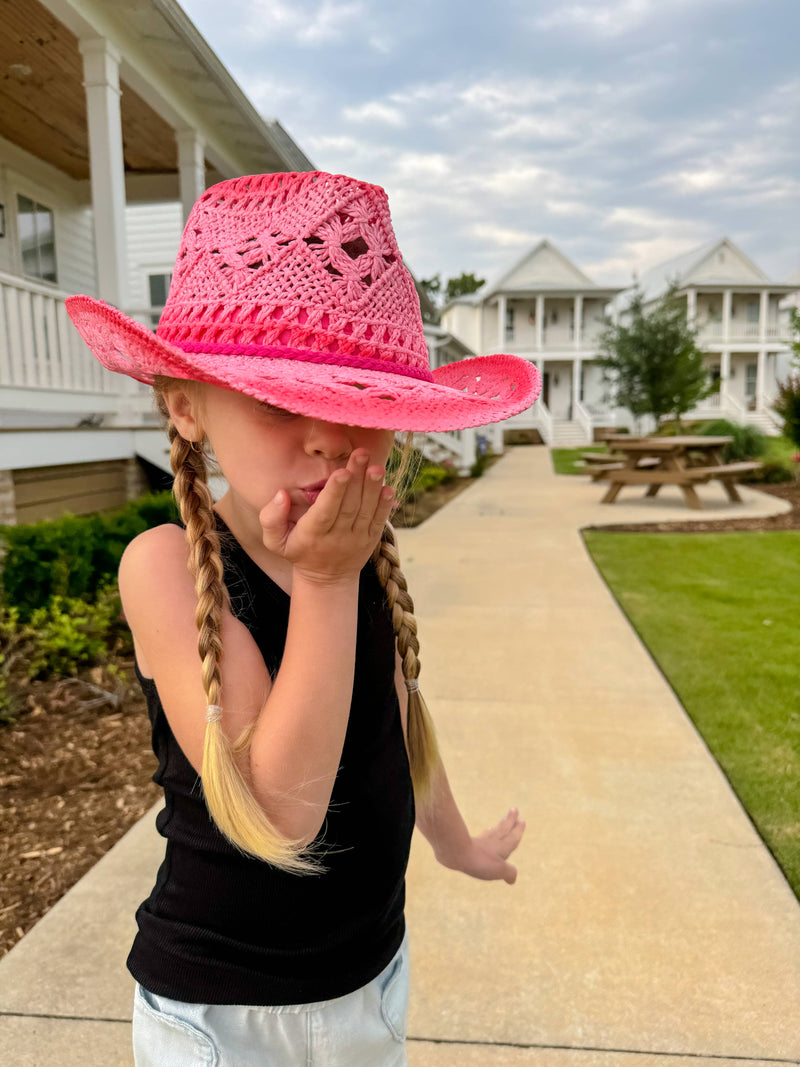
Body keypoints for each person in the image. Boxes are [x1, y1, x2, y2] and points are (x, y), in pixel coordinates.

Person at [66, 170, 541, 1067]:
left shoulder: (358, 559)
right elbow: (277, 813)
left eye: (363, 404)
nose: (329, 435)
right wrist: (324, 584)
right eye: (283, 399)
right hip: (222, 1010)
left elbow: (395, 726)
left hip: (368, 981)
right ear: (186, 402)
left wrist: (456, 842)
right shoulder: (167, 568)